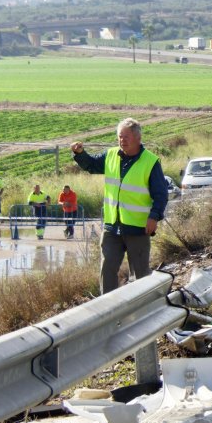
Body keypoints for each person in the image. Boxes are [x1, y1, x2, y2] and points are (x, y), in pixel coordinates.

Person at [71, 119, 168, 293]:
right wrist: (80, 154)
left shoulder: (151, 162)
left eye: (126, 137)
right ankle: (108, 308)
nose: (122, 140)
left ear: (138, 137)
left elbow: (161, 195)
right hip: (112, 227)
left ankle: (141, 308)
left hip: (138, 228)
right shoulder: (111, 155)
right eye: (119, 137)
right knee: (107, 269)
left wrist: (154, 217)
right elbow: (92, 165)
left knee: (141, 274)